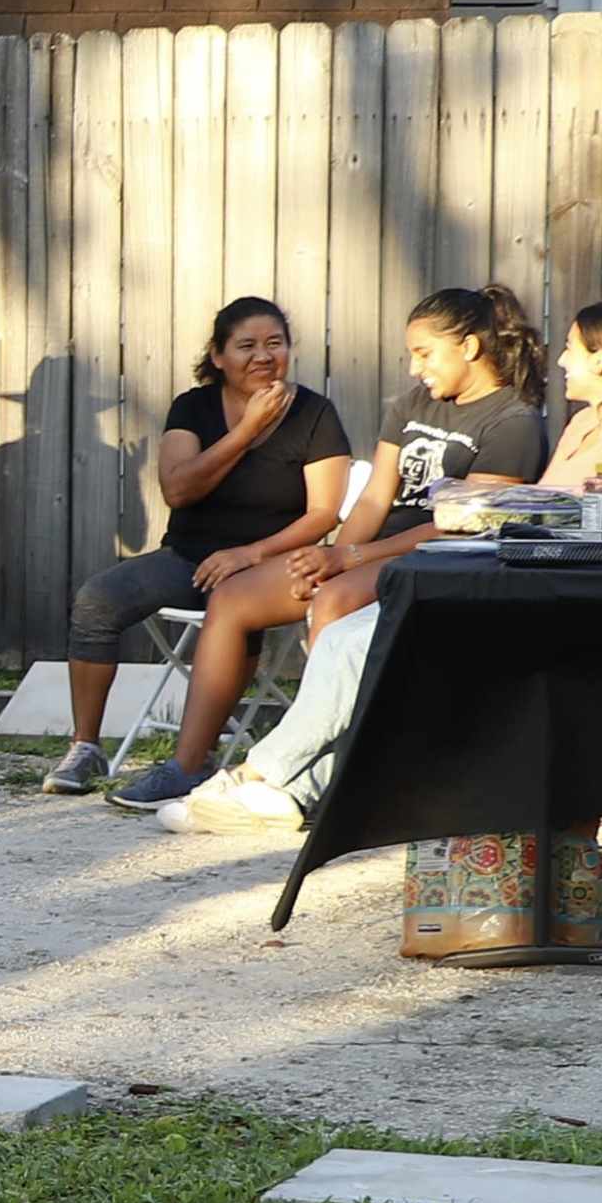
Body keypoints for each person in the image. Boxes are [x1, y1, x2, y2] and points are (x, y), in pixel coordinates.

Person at [175, 299, 602, 835]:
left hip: (555, 598)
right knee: (345, 638)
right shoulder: (586, 421)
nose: (559, 360)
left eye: (572, 348)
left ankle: (258, 772)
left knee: (359, 641)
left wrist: (364, 551)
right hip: (518, 576)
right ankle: (297, 791)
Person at [107, 283, 548, 811]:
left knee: (333, 602)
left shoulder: (512, 422)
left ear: (470, 348)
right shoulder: (413, 404)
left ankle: (332, 777)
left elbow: (458, 525)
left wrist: (347, 562)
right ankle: (187, 765)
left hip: (439, 558)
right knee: (234, 597)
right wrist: (329, 557)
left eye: (424, 354)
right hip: (370, 553)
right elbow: (373, 500)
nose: (414, 369)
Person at [39, 298, 352, 796]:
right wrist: (247, 430)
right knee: (97, 599)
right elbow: (179, 489)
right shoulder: (194, 407)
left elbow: (324, 513)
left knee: (237, 607)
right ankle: (86, 748)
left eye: (275, 344)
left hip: (269, 564)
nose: (263, 356)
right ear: (219, 355)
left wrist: (251, 554)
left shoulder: (314, 413)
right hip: (188, 557)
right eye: (246, 346)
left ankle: (199, 753)